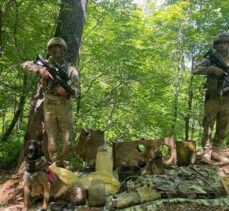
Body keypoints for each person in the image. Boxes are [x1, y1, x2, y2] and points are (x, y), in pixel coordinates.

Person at [21, 37, 80, 169]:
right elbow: (24, 64)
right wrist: (40, 70)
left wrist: (67, 91)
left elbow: (77, 90)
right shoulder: (44, 65)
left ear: (64, 50)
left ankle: (65, 164)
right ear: (50, 50)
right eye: (53, 47)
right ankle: (55, 163)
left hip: (64, 105)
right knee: (51, 140)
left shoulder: (70, 69)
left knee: (67, 140)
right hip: (49, 105)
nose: (56, 50)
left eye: (59, 47)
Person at [192, 32, 229, 163]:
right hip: (213, 98)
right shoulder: (210, 59)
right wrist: (212, 69)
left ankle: (216, 151)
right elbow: (195, 70)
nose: (223, 46)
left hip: (227, 100)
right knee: (208, 125)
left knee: (223, 126)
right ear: (216, 45)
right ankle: (207, 153)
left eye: (225, 43)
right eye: (220, 43)